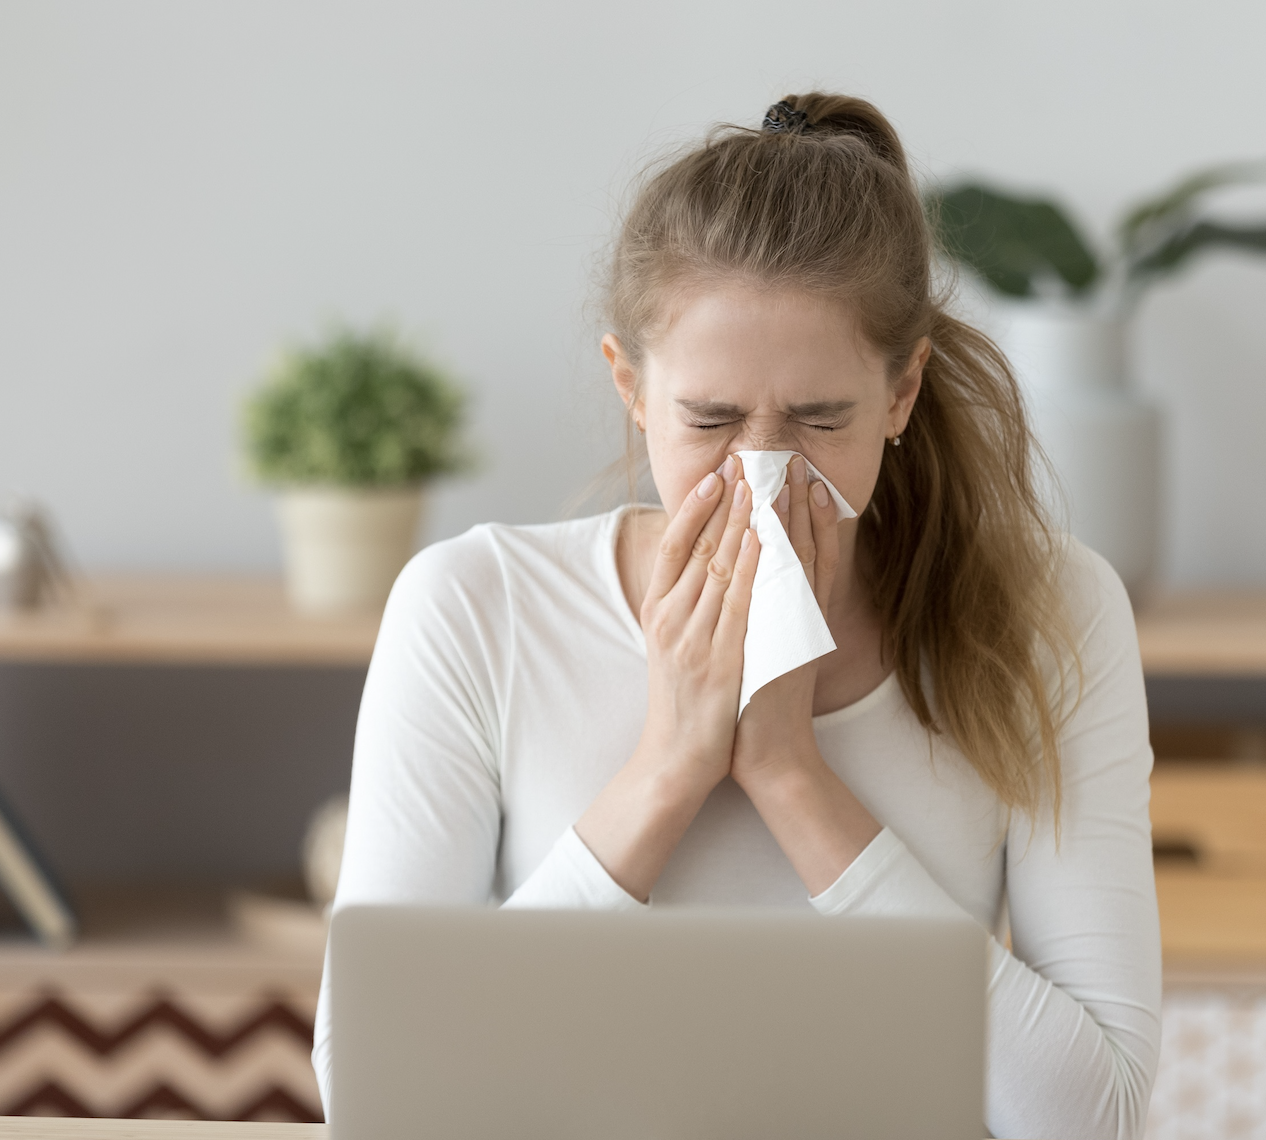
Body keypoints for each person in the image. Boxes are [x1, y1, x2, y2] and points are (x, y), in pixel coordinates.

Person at [314, 93, 1161, 1140]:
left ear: (902, 392)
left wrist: (793, 778)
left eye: (821, 419)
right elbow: (378, 1097)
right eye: (709, 420)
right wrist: (668, 767)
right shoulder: (476, 610)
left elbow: (1099, 1116)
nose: (763, 468)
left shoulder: (1050, 613)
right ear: (631, 384)